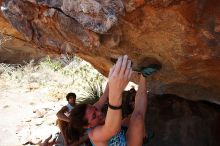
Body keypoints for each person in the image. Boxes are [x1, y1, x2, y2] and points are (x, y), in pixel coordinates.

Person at [66, 55, 157, 146]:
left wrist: (114, 73)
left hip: (120, 135)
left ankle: (142, 75)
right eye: (94, 116)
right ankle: (143, 138)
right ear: (88, 126)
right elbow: (112, 128)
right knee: (137, 118)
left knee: (129, 118)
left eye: (95, 109)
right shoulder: (94, 135)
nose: (99, 113)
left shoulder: (90, 111)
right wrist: (116, 92)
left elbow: (104, 95)